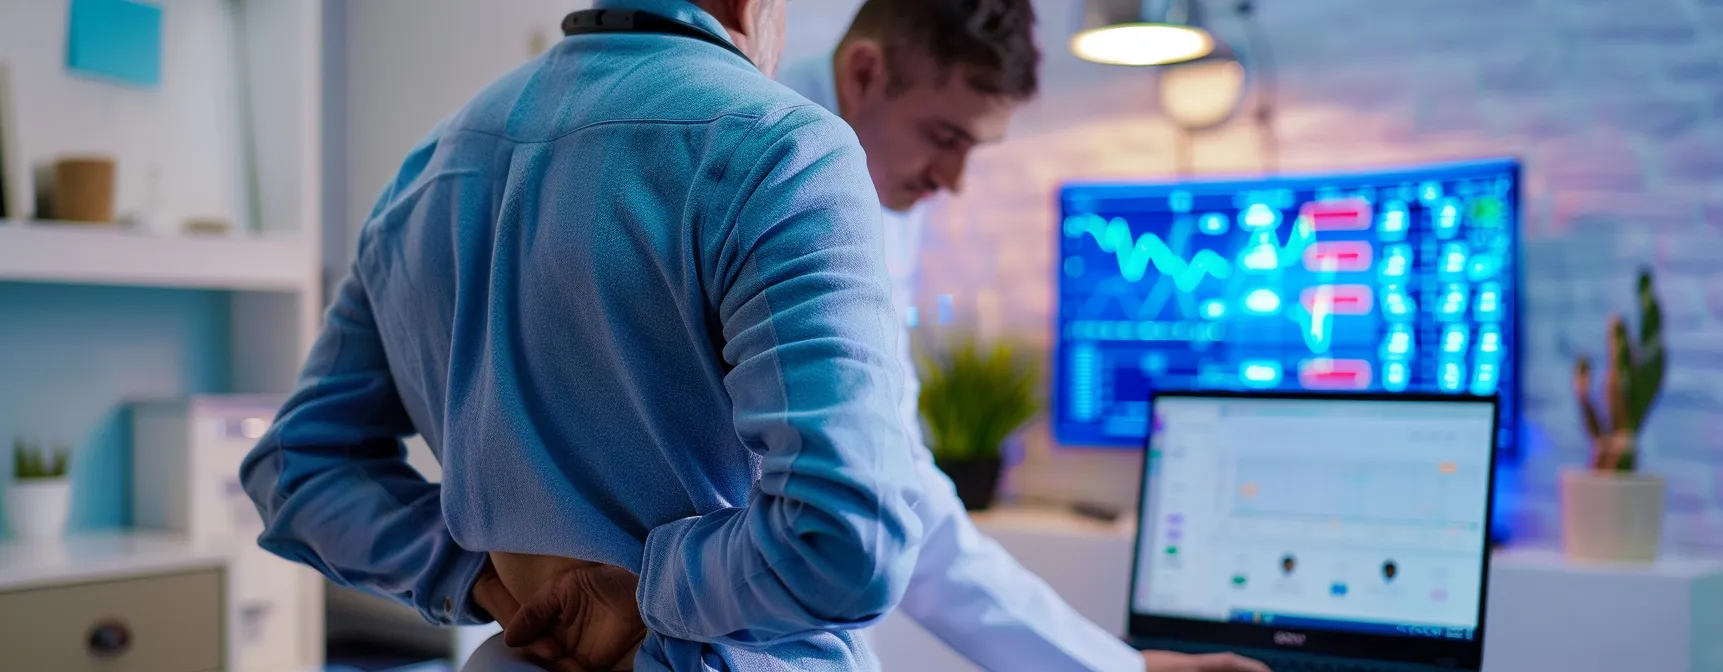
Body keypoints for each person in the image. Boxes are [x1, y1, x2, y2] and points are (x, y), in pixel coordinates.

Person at [238, 0, 929, 669]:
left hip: (517, 653)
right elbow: (846, 538)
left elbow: (296, 467)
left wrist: (482, 575)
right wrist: (653, 593)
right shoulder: (783, 147)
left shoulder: (422, 179)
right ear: (751, 5)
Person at [774, 2, 1270, 671]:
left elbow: (897, 483)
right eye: (945, 136)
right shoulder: (773, 157)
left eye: (971, 147)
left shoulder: (873, 174)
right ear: (864, 73)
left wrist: (1122, 667)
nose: (953, 180)